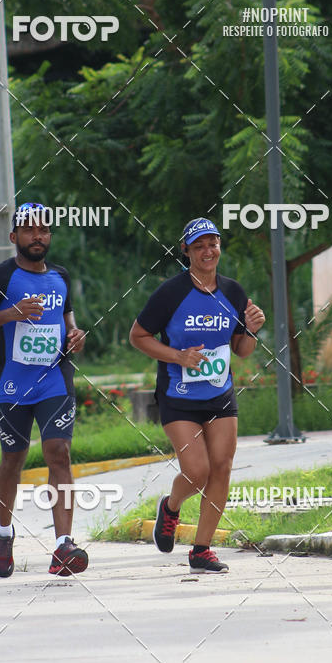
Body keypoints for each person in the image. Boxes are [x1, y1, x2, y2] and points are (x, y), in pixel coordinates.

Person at [129, 217, 265, 573]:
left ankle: (201, 549)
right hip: (178, 394)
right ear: (186, 251)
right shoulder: (171, 293)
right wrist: (178, 356)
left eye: (213, 244)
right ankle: (171, 506)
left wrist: (250, 329)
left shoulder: (233, 292)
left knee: (221, 467)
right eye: (199, 245)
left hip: (219, 393)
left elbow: (242, 349)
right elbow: (138, 336)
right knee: (197, 470)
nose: (208, 251)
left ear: (220, 246)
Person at [0, 202, 88, 578]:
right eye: (29, 230)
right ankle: (4, 533)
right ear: (14, 237)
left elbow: (68, 320)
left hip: (54, 380)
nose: (37, 236)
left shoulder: (61, 275)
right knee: (14, 459)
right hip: (12, 383)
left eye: (43, 230)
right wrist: (10, 314)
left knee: (59, 453)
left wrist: (75, 336)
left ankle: (63, 546)